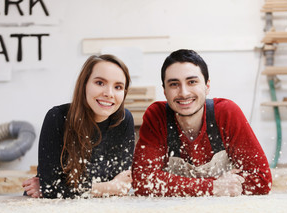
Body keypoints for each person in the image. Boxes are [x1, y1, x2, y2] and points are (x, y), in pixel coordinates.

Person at [132, 49, 272, 197]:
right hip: (173, 212)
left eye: (192, 82)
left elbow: (261, 181)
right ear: (165, 91)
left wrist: (177, 185)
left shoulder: (226, 113)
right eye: (174, 84)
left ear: (207, 86)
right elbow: (142, 181)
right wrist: (214, 187)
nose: (184, 92)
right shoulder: (157, 116)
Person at [22, 54, 135, 199]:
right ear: (84, 85)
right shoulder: (57, 118)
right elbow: (51, 188)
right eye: (100, 83)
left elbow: (122, 184)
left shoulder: (124, 120)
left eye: (118, 87)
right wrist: (108, 187)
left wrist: (58, 188)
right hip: (52, 208)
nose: (109, 93)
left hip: (101, 208)